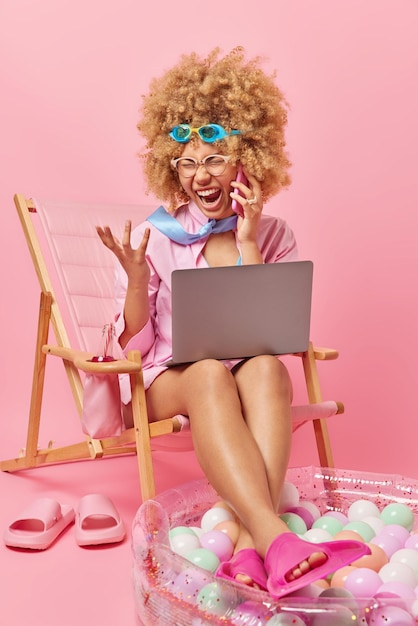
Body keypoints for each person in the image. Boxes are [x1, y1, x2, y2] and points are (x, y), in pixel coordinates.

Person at [97, 47, 369, 599]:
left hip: (240, 371)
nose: (201, 175)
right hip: (165, 381)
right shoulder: (162, 234)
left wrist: (246, 241)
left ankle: (249, 544)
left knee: (268, 367)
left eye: (215, 159)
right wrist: (132, 280)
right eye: (188, 162)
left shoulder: (274, 234)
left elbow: (268, 330)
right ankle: (274, 534)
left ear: (245, 158)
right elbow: (137, 343)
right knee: (207, 374)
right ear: (172, 168)